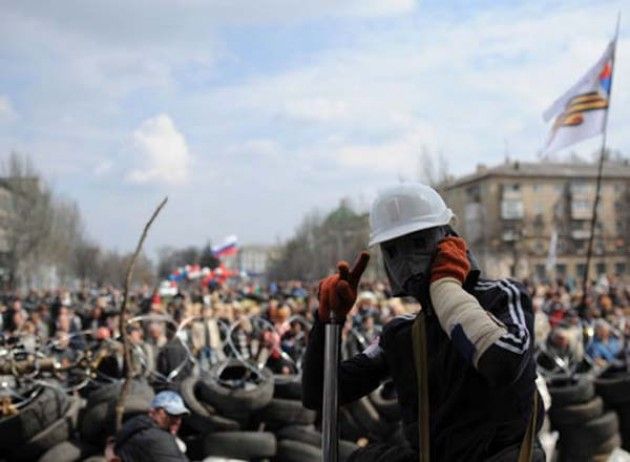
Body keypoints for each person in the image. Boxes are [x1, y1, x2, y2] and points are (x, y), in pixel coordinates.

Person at [302, 183, 544, 461]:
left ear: (449, 241)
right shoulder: (402, 333)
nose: (406, 259)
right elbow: (320, 394)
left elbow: (503, 361)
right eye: (392, 250)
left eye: (419, 242)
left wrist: (445, 286)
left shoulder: (501, 296)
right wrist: (326, 322)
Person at [113, 390, 190, 462]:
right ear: (152, 412)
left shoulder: (137, 427)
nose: (177, 421)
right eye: (171, 414)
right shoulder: (155, 437)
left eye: (180, 416)